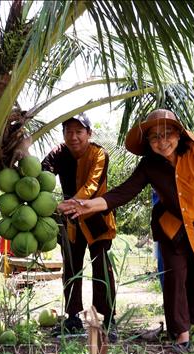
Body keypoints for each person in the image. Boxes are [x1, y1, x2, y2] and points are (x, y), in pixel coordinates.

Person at [61, 109, 194, 352]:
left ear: (178, 134)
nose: (162, 143)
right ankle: (181, 336)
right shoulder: (149, 165)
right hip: (171, 229)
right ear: (148, 142)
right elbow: (124, 192)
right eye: (154, 138)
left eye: (167, 135)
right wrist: (89, 204)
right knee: (175, 280)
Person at [41, 113, 118, 341]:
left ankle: (109, 319)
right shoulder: (58, 153)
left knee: (102, 269)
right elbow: (43, 173)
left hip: (97, 219)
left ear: (89, 134)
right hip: (71, 223)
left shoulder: (99, 154)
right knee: (71, 269)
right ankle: (73, 318)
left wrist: (70, 204)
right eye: (68, 132)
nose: (73, 137)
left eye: (79, 131)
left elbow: (92, 187)